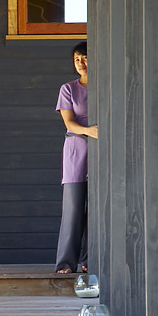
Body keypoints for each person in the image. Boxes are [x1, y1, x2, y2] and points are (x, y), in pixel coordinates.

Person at [54, 41, 98, 274]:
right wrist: (89, 130)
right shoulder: (68, 89)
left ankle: (89, 261)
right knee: (73, 210)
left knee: (97, 211)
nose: (81, 62)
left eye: (85, 57)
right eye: (77, 59)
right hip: (76, 152)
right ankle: (66, 263)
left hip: (101, 153)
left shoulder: (104, 86)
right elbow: (69, 122)